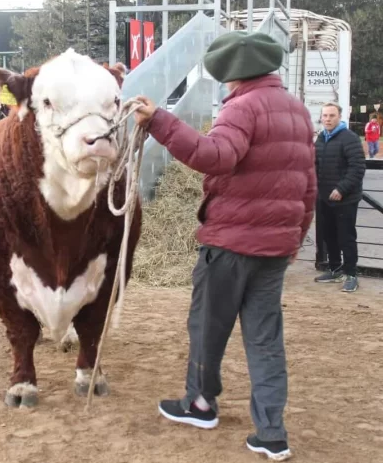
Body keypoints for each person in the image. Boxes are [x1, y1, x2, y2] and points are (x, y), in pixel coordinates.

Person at [133, 31, 316, 461]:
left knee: (207, 327)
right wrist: (296, 238)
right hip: (274, 249)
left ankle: (200, 403)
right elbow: (308, 185)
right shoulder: (298, 111)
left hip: (230, 244)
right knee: (266, 339)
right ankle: (272, 432)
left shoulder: (242, 107)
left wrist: (159, 121)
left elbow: (216, 157)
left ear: (232, 75)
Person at [313, 102, 366, 292]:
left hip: (346, 199)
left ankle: (351, 274)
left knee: (346, 237)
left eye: (331, 116)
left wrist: (341, 189)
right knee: (329, 236)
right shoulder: (321, 138)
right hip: (324, 198)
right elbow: (314, 165)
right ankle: (335, 269)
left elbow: (357, 167)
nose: (327, 119)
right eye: (325, 116)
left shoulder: (349, 138)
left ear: (339, 116)